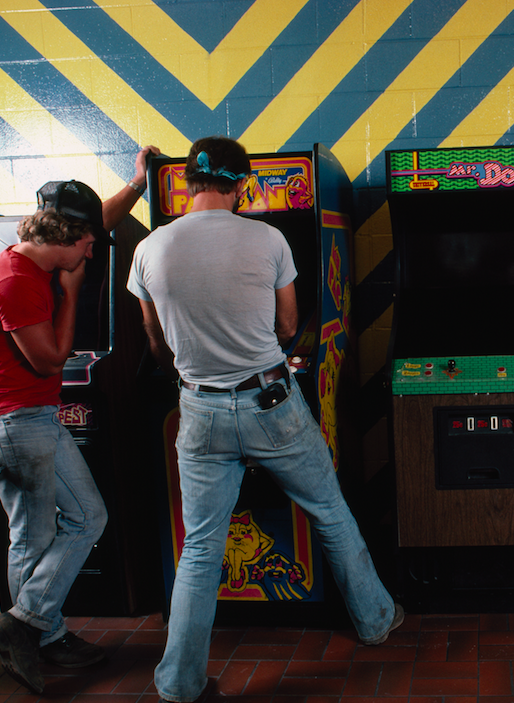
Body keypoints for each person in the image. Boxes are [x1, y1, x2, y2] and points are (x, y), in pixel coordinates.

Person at [126, 136, 403, 703]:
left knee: (201, 546)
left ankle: (179, 682)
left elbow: (153, 339)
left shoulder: (150, 248)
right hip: (269, 402)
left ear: (186, 183)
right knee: (329, 509)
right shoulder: (269, 237)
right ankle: (376, 619)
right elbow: (288, 325)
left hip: (197, 408)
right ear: (243, 183)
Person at [0, 146, 161, 694]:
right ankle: (25, 625)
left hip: (19, 421)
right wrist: (73, 295)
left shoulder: (30, 257)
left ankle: (40, 633)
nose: (94, 249)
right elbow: (51, 358)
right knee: (72, 524)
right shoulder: (18, 282)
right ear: (64, 240)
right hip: (18, 424)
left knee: (38, 533)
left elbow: (92, 222)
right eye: (87, 244)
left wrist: (137, 185)